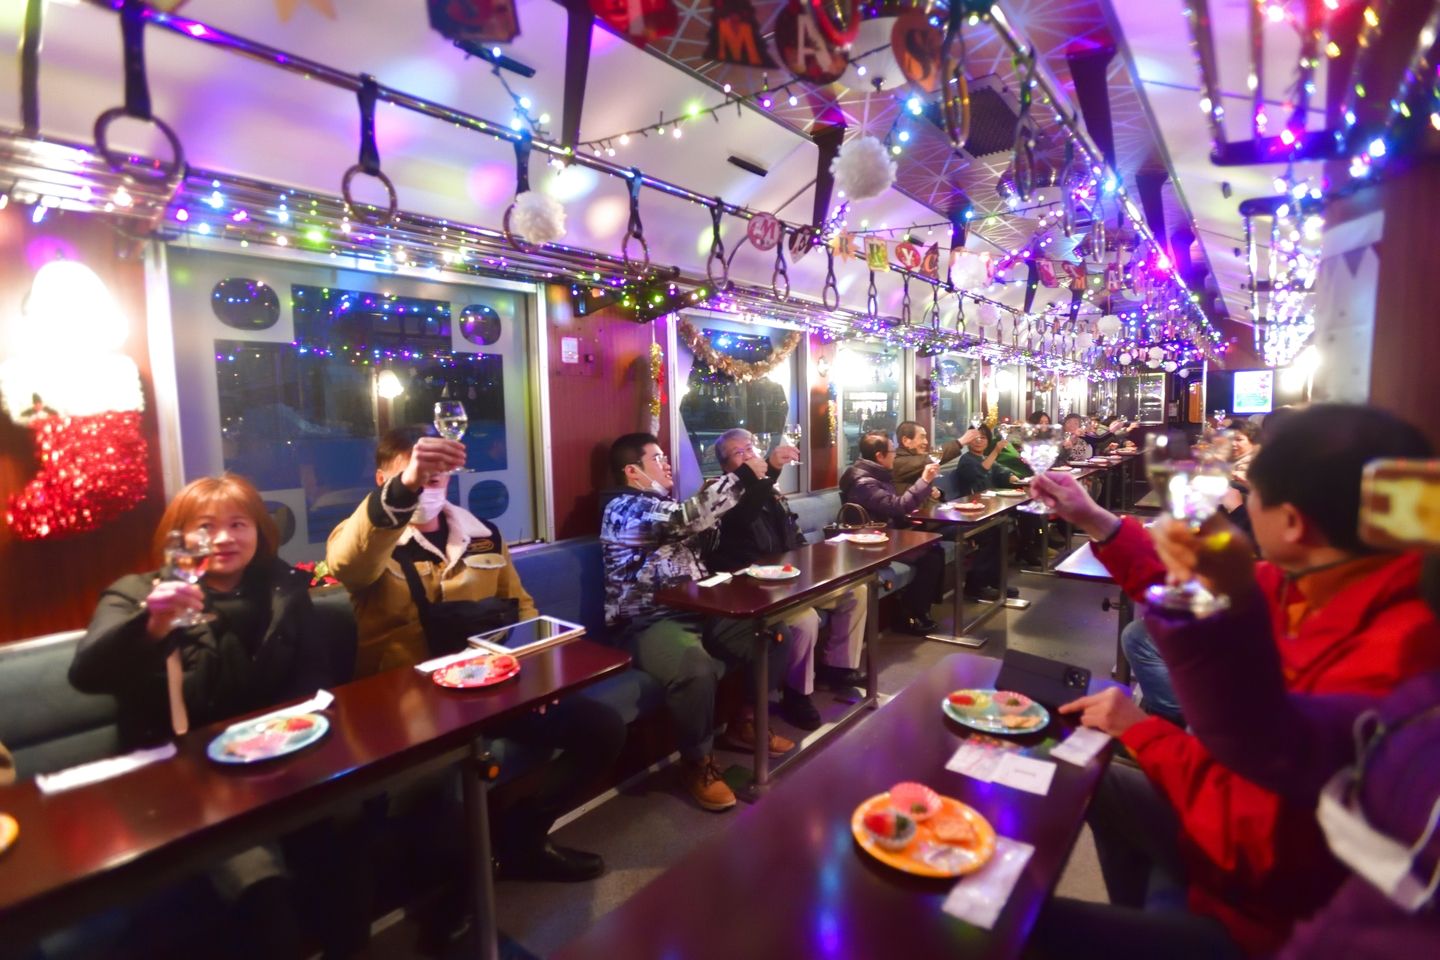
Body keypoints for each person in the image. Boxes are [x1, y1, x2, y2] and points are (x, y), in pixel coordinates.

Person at [1028, 404, 1440, 955]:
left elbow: (1256, 810)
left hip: (1267, 912)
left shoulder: (1396, 656)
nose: (1240, 495)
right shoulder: (1332, 585)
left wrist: (1142, 730)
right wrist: (1096, 519)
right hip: (1243, 849)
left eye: (1252, 486)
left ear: (1291, 523)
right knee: (1092, 774)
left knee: (1011, 925)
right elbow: (1193, 581)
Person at [70, 474, 365, 959]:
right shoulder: (142, 593)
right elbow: (86, 673)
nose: (224, 538)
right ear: (180, 537)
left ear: (259, 531)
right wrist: (150, 625)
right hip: (186, 785)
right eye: (205, 527)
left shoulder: (284, 587)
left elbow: (315, 684)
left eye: (238, 523)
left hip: (276, 767)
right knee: (262, 889)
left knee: (349, 829)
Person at [326, 427, 623, 885]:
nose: (429, 483)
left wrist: (536, 674)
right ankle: (458, 898)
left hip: (491, 688)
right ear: (385, 476)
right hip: (410, 708)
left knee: (602, 727)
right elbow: (349, 563)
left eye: (437, 474)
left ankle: (525, 836)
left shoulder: (481, 534)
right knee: (435, 791)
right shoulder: (363, 538)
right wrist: (404, 486)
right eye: (417, 474)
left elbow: (522, 606)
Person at [600, 432, 796, 813]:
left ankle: (747, 721)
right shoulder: (624, 508)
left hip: (697, 608)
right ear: (632, 471)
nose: (667, 463)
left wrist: (765, 475)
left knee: (774, 631)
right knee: (696, 667)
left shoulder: (663, 504)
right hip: (648, 619)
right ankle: (697, 762)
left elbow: (723, 523)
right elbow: (685, 519)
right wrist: (740, 477)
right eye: (657, 459)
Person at [709, 429, 866, 723]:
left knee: (855, 592)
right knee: (804, 620)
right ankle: (797, 695)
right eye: (738, 453)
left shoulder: (768, 489)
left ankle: (838, 669)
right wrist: (768, 472)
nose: (748, 456)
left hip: (793, 577)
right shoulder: (720, 496)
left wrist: (812, 561)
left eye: (750, 448)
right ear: (725, 466)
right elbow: (743, 515)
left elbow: (789, 533)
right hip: (757, 588)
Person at [838, 432, 946, 634]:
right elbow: (895, 507)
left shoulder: (875, 476)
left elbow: (892, 509)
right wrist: (923, 481)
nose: (895, 456)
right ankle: (908, 615)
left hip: (884, 536)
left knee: (934, 550)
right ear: (879, 455)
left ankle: (920, 610)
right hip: (869, 545)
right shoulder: (864, 483)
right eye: (892, 452)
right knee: (930, 558)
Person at [892, 421, 981, 492]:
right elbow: (930, 458)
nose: (926, 442)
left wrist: (938, 494)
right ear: (906, 440)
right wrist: (961, 441)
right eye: (922, 437)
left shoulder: (914, 457)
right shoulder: (898, 462)